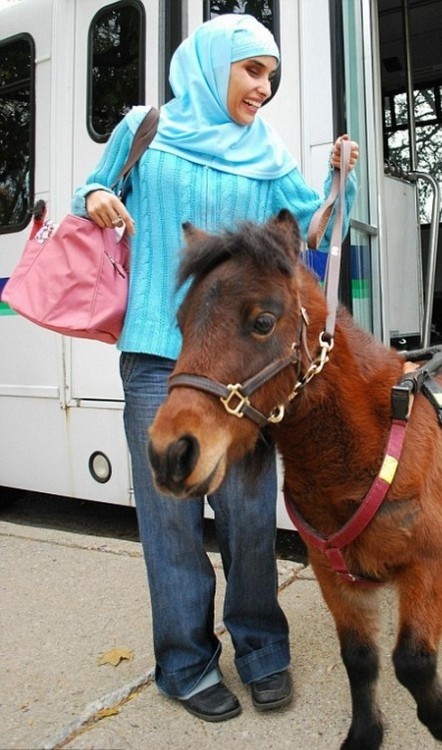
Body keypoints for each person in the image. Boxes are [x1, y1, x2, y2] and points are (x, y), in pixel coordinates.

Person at [72, 14, 359, 723]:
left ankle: (262, 649)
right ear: (211, 63)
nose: (263, 86)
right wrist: (100, 198)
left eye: (270, 74)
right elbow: (91, 192)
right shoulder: (146, 127)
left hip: (239, 368)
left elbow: (310, 232)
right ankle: (184, 663)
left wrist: (335, 177)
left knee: (247, 514)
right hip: (156, 356)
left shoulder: (266, 152)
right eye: (252, 69)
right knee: (169, 520)